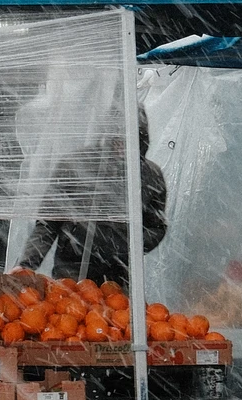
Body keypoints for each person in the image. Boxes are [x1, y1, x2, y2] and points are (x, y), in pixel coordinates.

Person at [17, 111, 167, 289]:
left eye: (129, 140)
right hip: (71, 270)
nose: (122, 147)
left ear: (141, 140)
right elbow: (48, 223)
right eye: (117, 139)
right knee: (69, 315)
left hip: (118, 275)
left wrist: (127, 245)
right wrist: (26, 264)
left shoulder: (150, 175)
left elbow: (156, 226)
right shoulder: (75, 166)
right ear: (106, 135)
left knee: (117, 314)